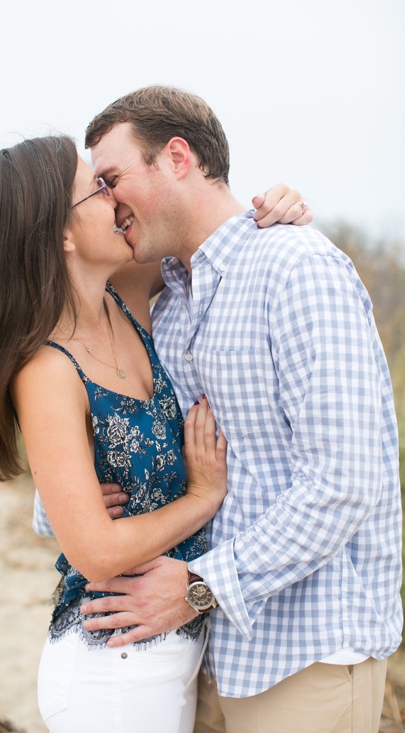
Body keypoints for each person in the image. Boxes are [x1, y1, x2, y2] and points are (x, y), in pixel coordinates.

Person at [0, 134, 310, 732]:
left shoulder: (126, 295)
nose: (115, 199)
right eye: (98, 188)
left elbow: (201, 234)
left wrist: (274, 207)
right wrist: (202, 498)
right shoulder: (46, 372)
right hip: (111, 667)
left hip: (167, 654)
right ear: (59, 234)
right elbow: (95, 552)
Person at [79, 85, 402, 733]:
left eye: (111, 179)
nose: (105, 202)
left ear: (177, 157)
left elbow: (345, 483)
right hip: (205, 652)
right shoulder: (168, 304)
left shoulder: (295, 266)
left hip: (306, 653)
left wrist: (199, 585)